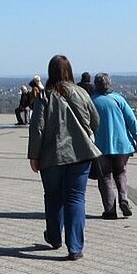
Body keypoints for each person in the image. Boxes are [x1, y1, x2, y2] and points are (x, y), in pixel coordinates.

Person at [28, 54, 101, 261]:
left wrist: (34, 155)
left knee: (53, 197)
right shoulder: (81, 93)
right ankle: (75, 246)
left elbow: (37, 129)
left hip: (52, 156)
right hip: (81, 154)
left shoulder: (45, 97)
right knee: (76, 198)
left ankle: (54, 236)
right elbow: (95, 120)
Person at [90, 73, 137, 219]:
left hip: (100, 146)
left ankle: (110, 210)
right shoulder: (118, 99)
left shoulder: (91, 102)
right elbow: (131, 120)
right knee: (120, 173)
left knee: (105, 177)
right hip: (122, 145)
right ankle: (123, 199)